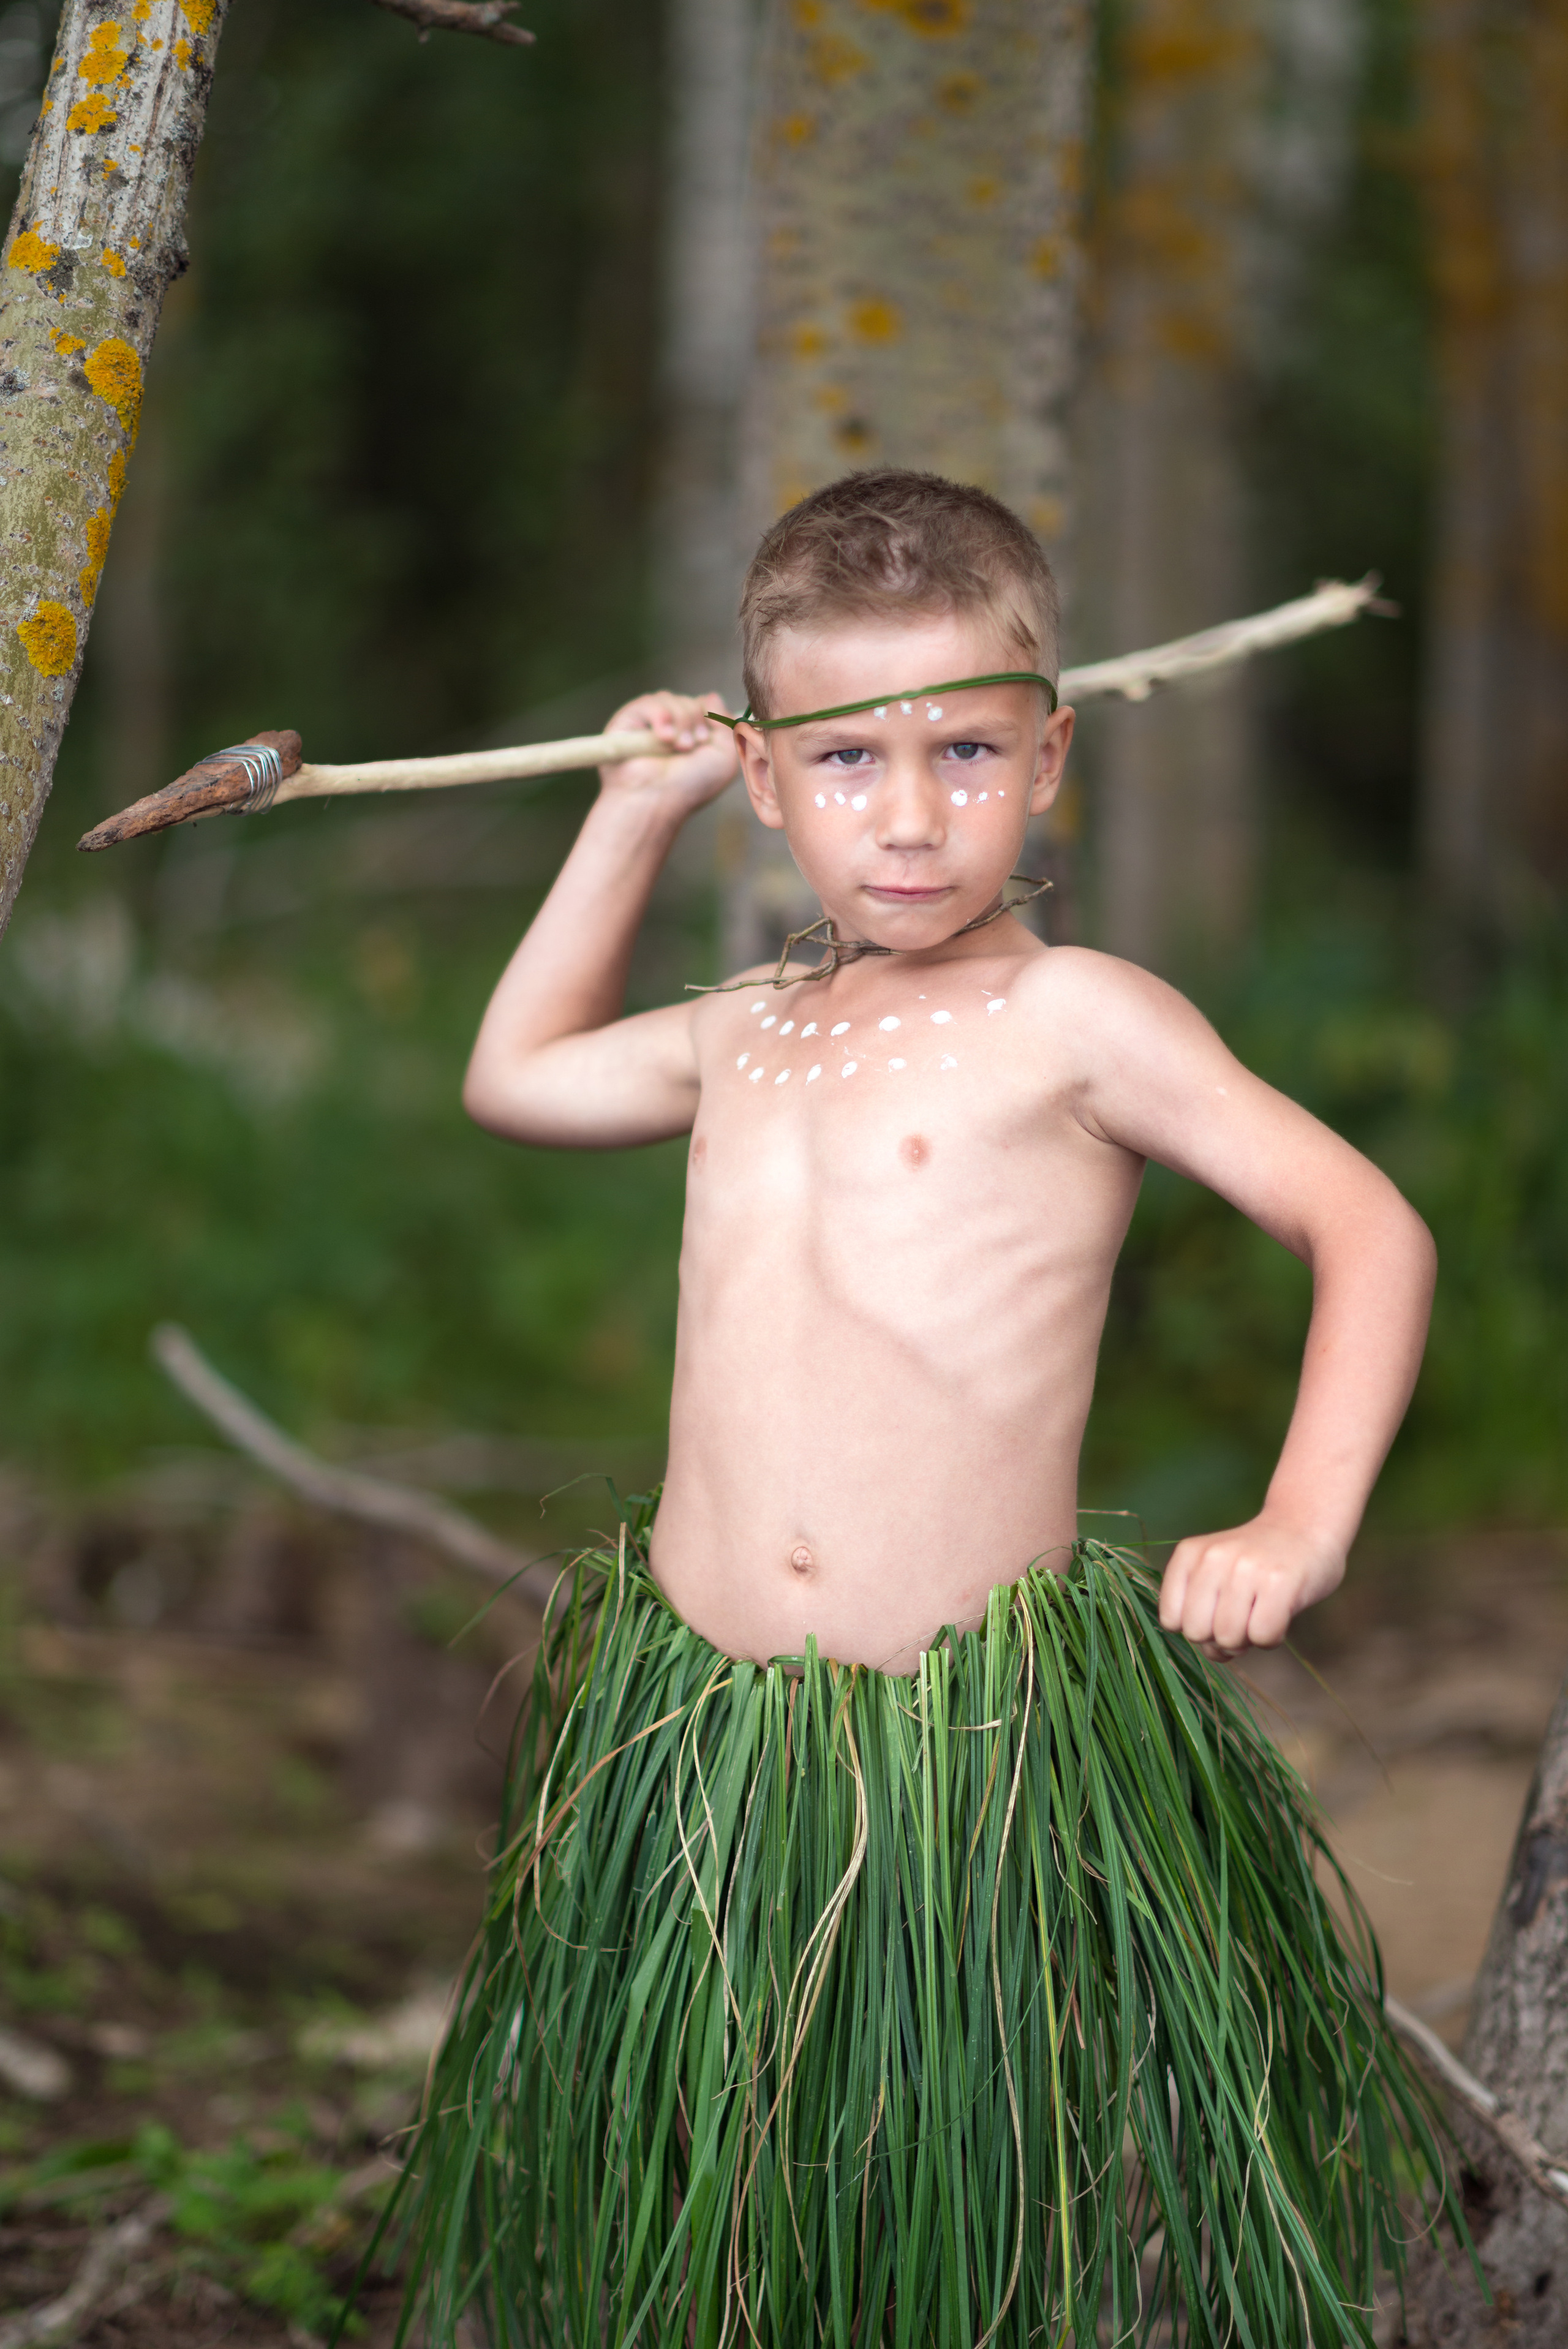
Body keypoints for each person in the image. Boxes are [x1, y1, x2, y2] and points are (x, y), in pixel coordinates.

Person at [393, 472, 1464, 2348]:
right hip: (706, 1746)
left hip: (957, 1757)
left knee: (934, 2212)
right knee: (718, 2206)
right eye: (848, 761)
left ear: (1051, 756)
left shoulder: (1082, 1021)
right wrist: (621, 819)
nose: (906, 815)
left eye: (966, 750)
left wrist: (1301, 1519)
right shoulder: (746, 1029)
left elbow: (1364, 1221)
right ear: (767, 780)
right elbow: (515, 1075)